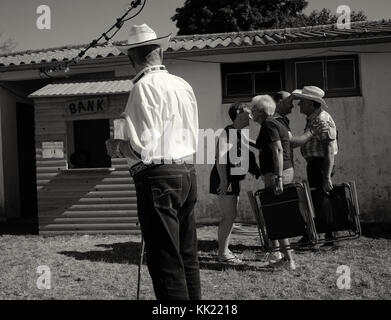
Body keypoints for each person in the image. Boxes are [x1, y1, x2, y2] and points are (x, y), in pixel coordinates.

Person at [106, 24, 201, 300]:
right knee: (186, 256)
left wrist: (116, 146)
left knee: (165, 261)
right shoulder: (183, 84)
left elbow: (141, 148)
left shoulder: (142, 88)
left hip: (157, 177)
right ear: (160, 52)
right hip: (187, 172)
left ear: (131, 58)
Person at [209, 102, 260, 264]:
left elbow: (254, 144)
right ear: (238, 113)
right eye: (248, 112)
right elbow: (220, 157)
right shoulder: (228, 132)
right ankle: (223, 254)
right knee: (228, 216)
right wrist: (224, 181)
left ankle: (224, 251)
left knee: (231, 215)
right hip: (225, 179)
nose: (251, 115)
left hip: (232, 179)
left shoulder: (239, 133)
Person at [251, 95, 297, 270]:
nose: (251, 114)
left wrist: (278, 178)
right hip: (281, 172)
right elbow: (266, 146)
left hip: (278, 174)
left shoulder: (269, 124)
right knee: (275, 216)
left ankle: (288, 260)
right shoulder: (275, 122)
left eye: (252, 110)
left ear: (259, 111)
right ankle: (280, 255)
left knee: (276, 217)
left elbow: (277, 149)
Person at [292, 86, 338, 249]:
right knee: (317, 199)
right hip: (316, 163)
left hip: (320, 164)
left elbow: (329, 150)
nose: (299, 105)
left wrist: (326, 175)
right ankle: (319, 235)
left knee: (320, 199)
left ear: (311, 104)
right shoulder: (314, 118)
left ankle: (327, 237)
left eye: (302, 102)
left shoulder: (321, 120)